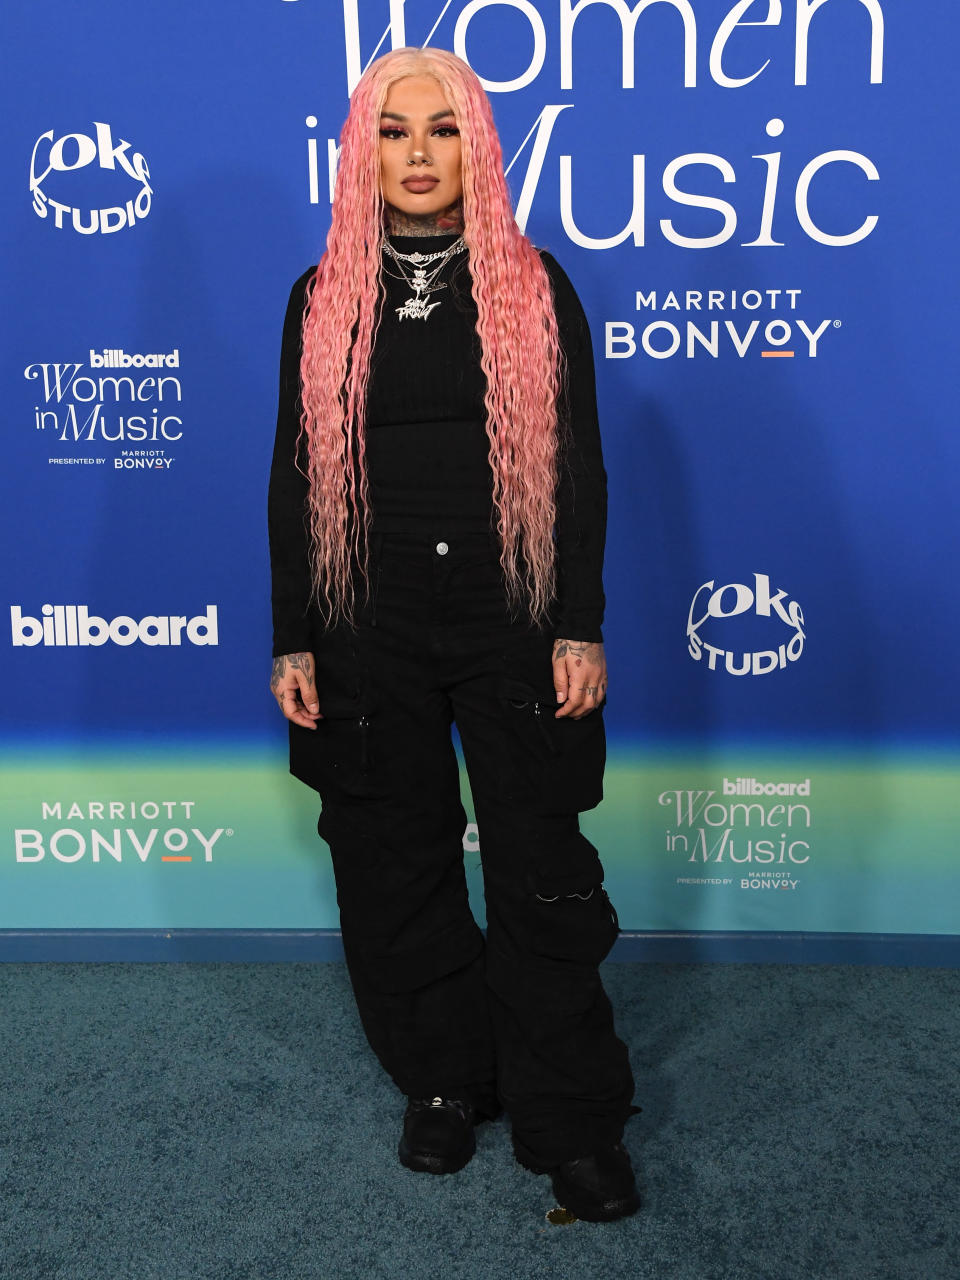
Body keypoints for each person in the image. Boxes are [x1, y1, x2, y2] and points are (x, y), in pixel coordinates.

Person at [268, 46, 640, 1223]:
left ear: (475, 143)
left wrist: (577, 621)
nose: (418, 154)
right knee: (394, 866)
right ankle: (444, 1078)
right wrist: (296, 635)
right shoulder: (322, 295)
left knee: (541, 872)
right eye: (393, 131)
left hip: (512, 613)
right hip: (366, 617)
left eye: (440, 130)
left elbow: (578, 468)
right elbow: (292, 476)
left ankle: (569, 1118)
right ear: (361, 151)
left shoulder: (536, 284)